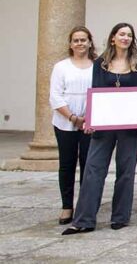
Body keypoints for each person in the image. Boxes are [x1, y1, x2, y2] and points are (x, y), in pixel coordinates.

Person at [64, 23, 137, 235]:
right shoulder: (100, 64)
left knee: (126, 172)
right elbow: (95, 91)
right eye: (122, 34)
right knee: (94, 170)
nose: (126, 38)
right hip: (104, 125)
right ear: (113, 38)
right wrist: (90, 121)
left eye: (129, 35)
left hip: (130, 126)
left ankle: (120, 216)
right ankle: (84, 219)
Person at [50, 26, 96, 225]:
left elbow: (100, 92)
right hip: (65, 122)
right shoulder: (61, 67)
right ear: (70, 44)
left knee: (88, 166)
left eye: (83, 40)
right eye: (76, 40)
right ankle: (66, 206)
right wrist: (72, 117)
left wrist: (88, 118)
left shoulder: (97, 65)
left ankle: (84, 206)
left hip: (90, 123)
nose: (80, 43)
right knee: (67, 164)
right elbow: (55, 96)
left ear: (90, 42)